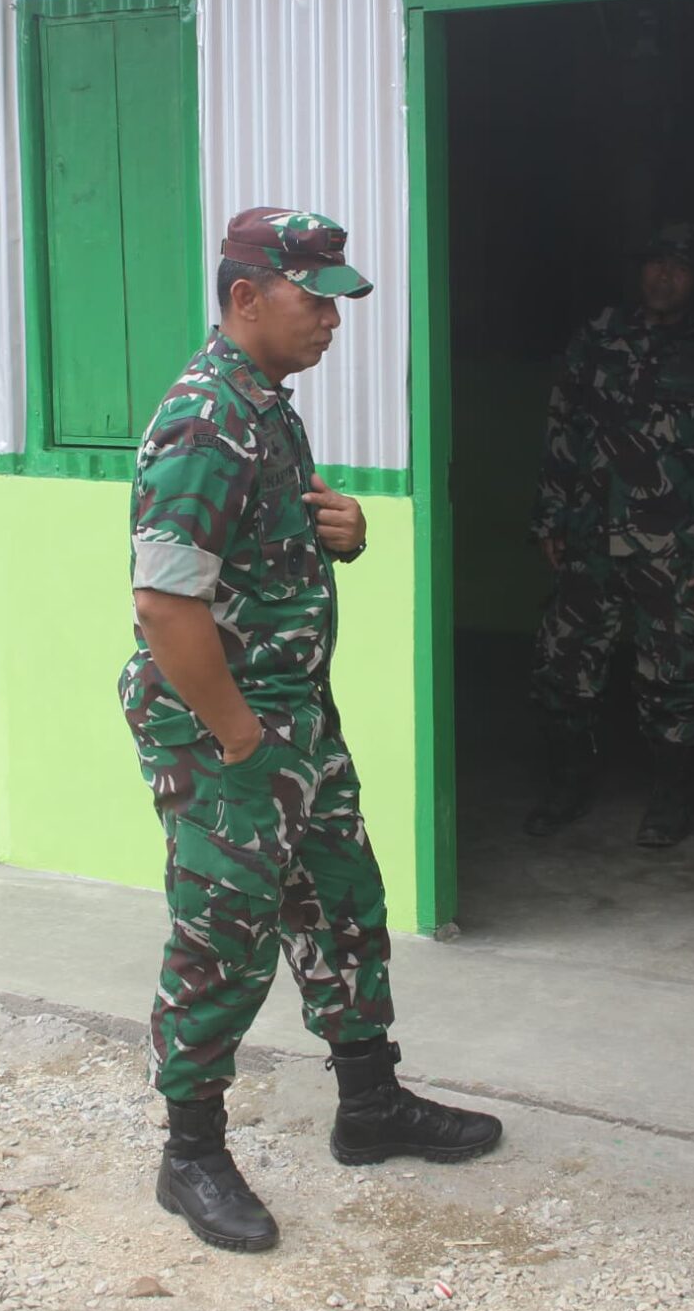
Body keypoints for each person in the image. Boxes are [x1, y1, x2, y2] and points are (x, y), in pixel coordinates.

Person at [123, 207, 503, 1253]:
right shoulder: (205, 418)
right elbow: (164, 604)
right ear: (246, 298)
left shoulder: (266, 410)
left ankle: (370, 1104)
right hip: (232, 731)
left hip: (295, 720)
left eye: (338, 297)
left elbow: (254, 557)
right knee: (225, 934)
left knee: (341, 902)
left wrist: (347, 530)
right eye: (315, 296)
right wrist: (239, 737)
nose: (334, 317)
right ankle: (189, 1151)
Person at [525, 223, 694, 847]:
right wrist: (550, 516)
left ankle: (670, 800)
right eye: (654, 262)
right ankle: (567, 785)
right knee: (563, 668)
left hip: (673, 548)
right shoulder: (597, 338)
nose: (663, 276)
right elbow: (561, 431)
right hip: (588, 539)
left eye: (678, 266)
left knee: (676, 680)